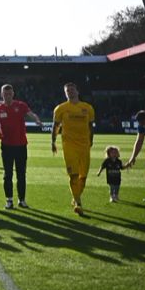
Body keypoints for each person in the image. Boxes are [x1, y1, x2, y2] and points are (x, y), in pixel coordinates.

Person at [0, 84, 43, 209]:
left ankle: (21, 200)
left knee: (21, 174)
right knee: (8, 174)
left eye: (9, 94)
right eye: (5, 94)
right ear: (1, 95)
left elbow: (30, 113)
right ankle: (9, 200)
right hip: (6, 146)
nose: (7, 96)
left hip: (21, 145)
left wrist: (36, 119)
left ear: (13, 94)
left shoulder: (20, 105)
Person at [52, 82, 95, 215]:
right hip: (69, 146)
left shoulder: (87, 108)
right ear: (65, 93)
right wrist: (53, 141)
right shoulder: (60, 108)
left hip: (84, 146)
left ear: (77, 91)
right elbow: (55, 126)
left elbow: (90, 126)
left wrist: (91, 141)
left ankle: (75, 196)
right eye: (67, 90)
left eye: (72, 89)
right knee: (73, 175)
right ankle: (78, 202)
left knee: (83, 177)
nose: (70, 92)